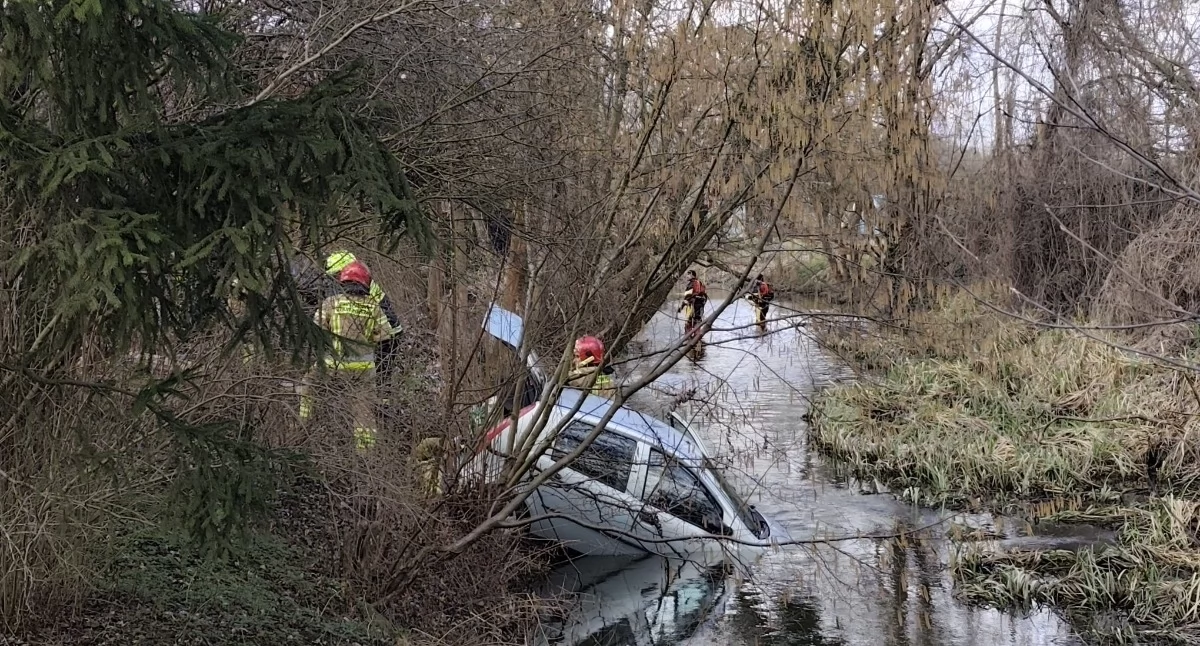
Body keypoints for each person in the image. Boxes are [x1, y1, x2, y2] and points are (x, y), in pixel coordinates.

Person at [299, 261, 395, 453]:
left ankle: (302, 426)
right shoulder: (373, 307)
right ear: (365, 283)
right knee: (364, 412)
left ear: (344, 281)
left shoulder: (331, 303)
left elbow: (316, 330)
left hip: (332, 366)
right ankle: (365, 453)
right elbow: (385, 336)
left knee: (308, 385)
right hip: (363, 371)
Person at [324, 251, 404, 401]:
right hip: (388, 330)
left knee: (380, 375)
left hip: (387, 333)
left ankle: (381, 406)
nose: (335, 278)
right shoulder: (361, 278)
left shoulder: (354, 283)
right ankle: (381, 405)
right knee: (380, 375)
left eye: (336, 274)